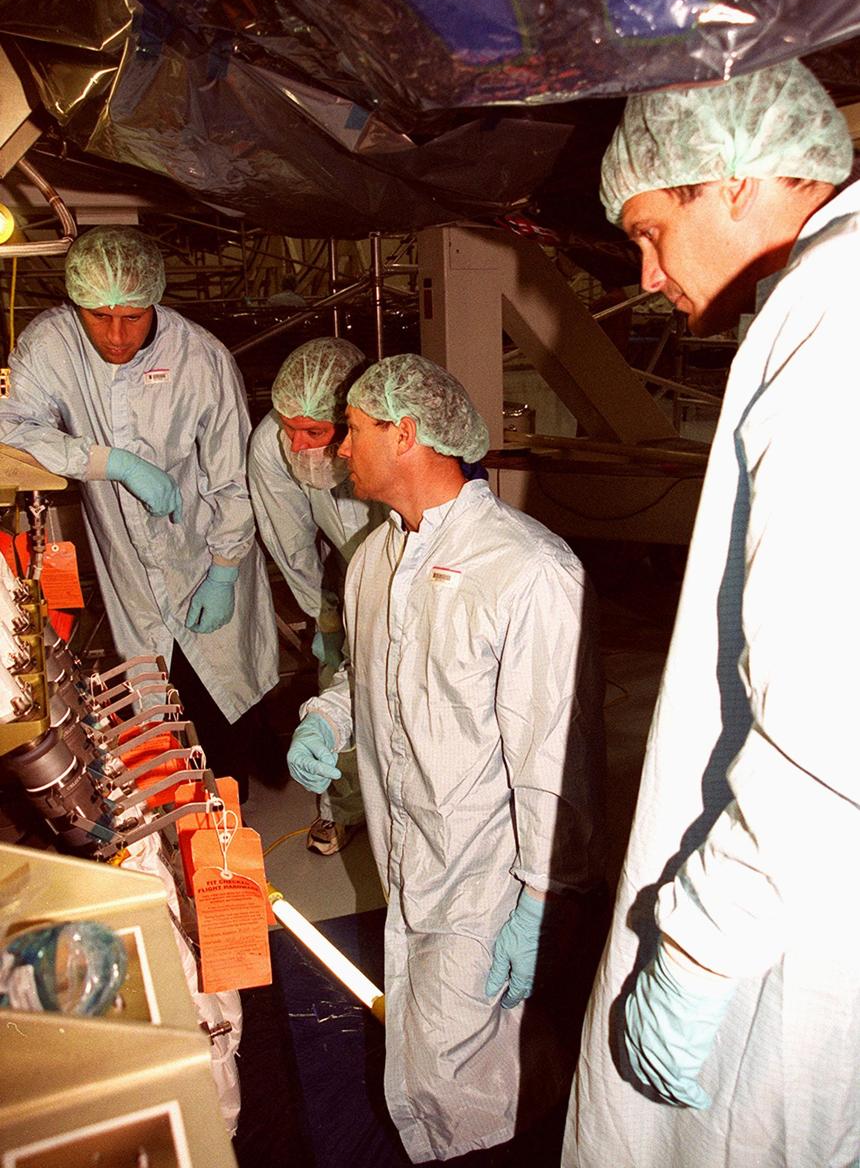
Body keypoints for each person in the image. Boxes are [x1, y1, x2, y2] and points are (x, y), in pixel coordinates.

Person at [563, 60, 860, 1167]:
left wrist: (689, 945)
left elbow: (829, 706)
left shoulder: (832, 314)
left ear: (726, 180)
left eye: (647, 231)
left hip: (798, 913)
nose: (643, 276)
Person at [288, 353, 607, 1162]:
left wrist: (541, 899)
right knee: (444, 1065)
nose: (338, 451)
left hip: (489, 879)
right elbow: (363, 677)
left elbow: (554, 758)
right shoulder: (372, 559)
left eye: (352, 432)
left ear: (406, 434)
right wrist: (327, 720)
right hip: (408, 859)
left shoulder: (529, 571)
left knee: (466, 1082)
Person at [0, 226, 279, 801]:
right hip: (127, 563)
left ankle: (233, 841)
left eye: (133, 316)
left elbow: (233, 479)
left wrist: (225, 570)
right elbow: (10, 426)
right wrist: (111, 462)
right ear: (76, 303)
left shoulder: (201, 357)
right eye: (99, 316)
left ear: (155, 301)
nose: (117, 334)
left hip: (205, 553)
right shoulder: (52, 345)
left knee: (221, 708)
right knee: (154, 712)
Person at [248, 337, 386, 853]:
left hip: (407, 568)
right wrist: (323, 618)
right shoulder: (273, 446)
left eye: (314, 431)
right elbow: (290, 544)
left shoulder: (383, 441)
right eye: (290, 429)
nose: (299, 445)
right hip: (341, 570)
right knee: (340, 684)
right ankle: (343, 807)